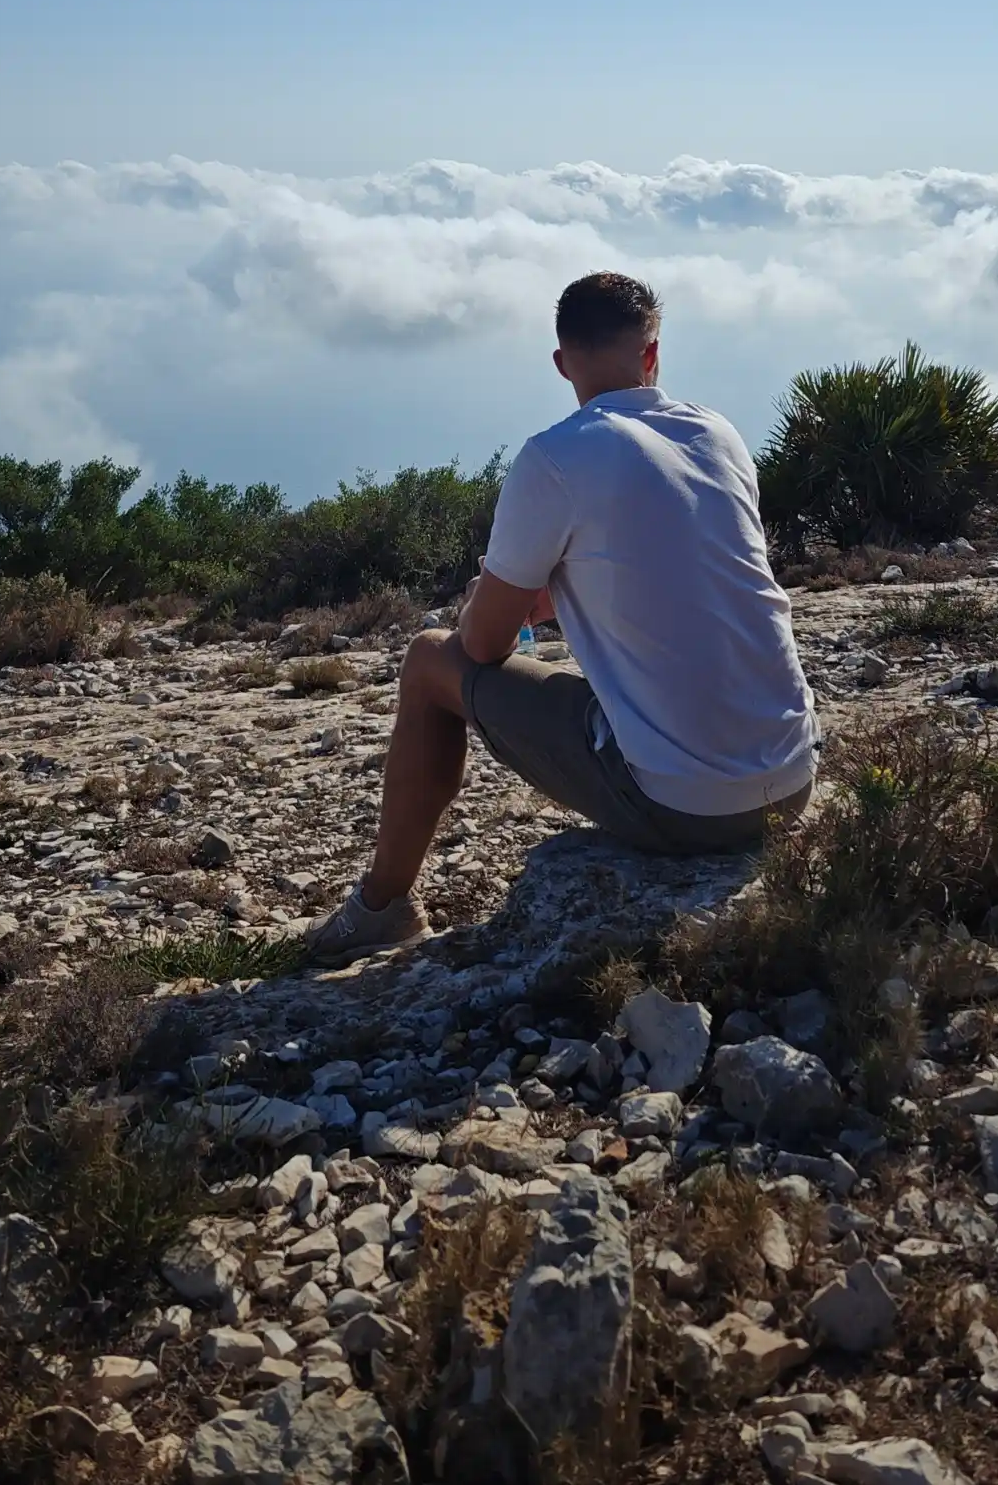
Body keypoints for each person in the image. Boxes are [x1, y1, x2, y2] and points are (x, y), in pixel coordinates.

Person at [305, 270, 818, 965]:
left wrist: (504, 601)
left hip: (688, 805)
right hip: (789, 782)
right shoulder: (715, 433)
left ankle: (380, 909)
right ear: (652, 354)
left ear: (561, 363)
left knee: (431, 660)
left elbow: (481, 645)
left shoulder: (557, 457)